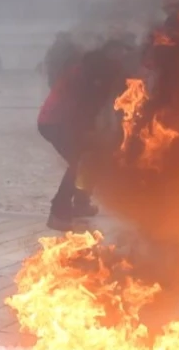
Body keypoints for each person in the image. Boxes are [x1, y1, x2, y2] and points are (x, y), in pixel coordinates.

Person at [38, 36, 132, 231]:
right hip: (56, 122)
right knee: (78, 163)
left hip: (65, 122)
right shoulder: (91, 73)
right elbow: (83, 106)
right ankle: (59, 213)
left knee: (91, 160)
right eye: (119, 54)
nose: (123, 58)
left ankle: (80, 203)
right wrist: (88, 130)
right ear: (110, 55)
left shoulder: (97, 69)